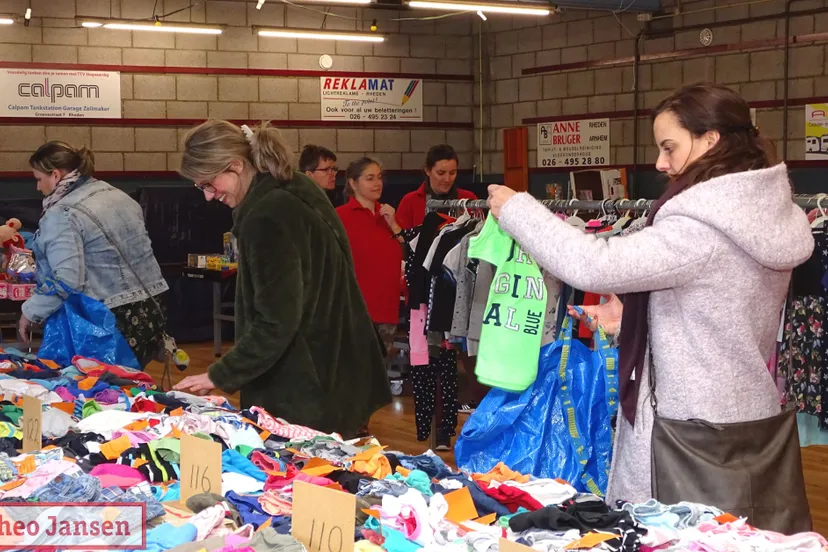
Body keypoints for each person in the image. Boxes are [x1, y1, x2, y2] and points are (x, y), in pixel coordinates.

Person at [486, 83, 814, 503]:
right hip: (744, 410)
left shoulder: (702, 227)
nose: (660, 163)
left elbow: (594, 264)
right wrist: (631, 322)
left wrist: (519, 211)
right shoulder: (764, 216)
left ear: (710, 141)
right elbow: (718, 310)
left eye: (669, 147)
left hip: (686, 426)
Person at [173, 121, 391, 437]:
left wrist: (220, 375)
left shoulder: (266, 215)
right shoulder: (294, 186)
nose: (208, 196)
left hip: (311, 384)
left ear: (235, 165)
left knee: (310, 480)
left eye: (209, 183)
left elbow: (276, 320)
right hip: (341, 369)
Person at [21, 141, 169, 369]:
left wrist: (31, 312)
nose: (38, 187)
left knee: (98, 395)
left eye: (39, 179)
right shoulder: (117, 195)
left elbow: (67, 280)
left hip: (108, 319)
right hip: (151, 309)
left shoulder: (62, 213)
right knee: (131, 389)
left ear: (55, 174)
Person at [335, 158, 406, 355]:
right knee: (354, 375)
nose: (377, 183)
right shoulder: (339, 217)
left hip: (387, 309)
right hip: (354, 312)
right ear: (353, 183)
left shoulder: (389, 216)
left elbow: (409, 253)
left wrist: (394, 225)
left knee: (380, 375)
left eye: (379, 177)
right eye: (370, 178)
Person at [396, 144, 476, 230]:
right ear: (427, 170)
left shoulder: (469, 199)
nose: (447, 179)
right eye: (441, 173)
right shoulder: (409, 202)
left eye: (452, 173)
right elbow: (401, 240)